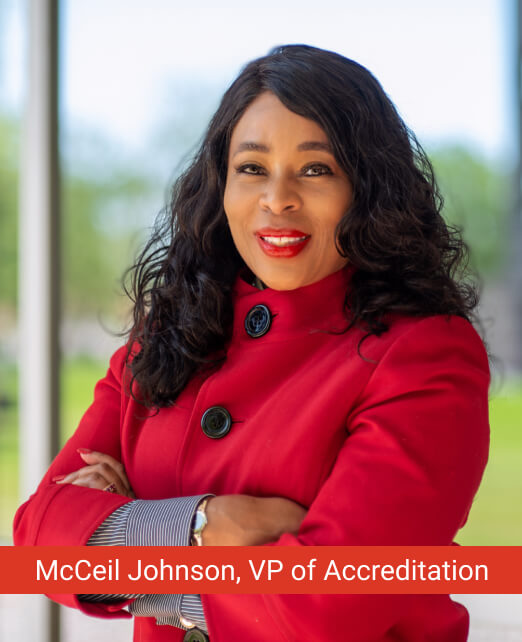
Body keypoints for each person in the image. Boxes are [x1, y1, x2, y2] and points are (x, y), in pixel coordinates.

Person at [13, 44, 490, 642]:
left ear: (367, 188)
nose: (277, 198)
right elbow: (38, 543)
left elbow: (320, 605)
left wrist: (126, 538)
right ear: (221, 185)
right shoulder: (166, 336)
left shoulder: (425, 354)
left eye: (316, 169)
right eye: (252, 168)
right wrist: (201, 526)